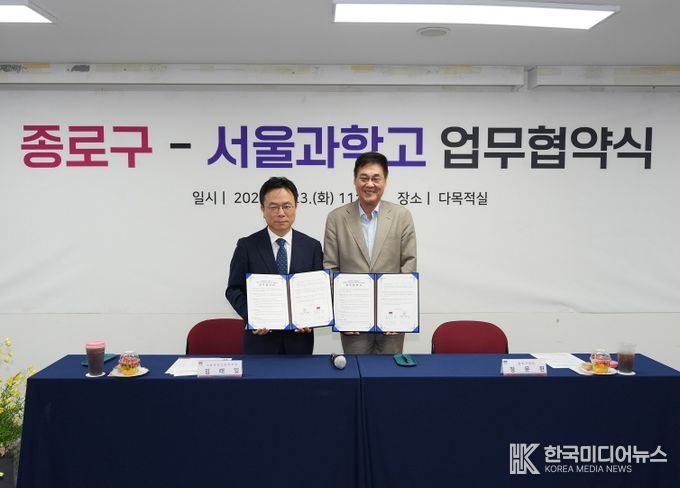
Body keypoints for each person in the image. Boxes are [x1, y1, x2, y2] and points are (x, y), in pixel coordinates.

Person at [323, 151, 417, 354]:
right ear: (355, 180)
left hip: (391, 319)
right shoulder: (336, 218)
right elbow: (330, 268)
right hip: (353, 321)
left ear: (385, 181)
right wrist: (342, 313)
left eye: (376, 178)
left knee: (389, 371)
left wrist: (400, 312)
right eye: (364, 178)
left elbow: (408, 264)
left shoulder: (402, 216)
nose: (370, 184)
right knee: (357, 371)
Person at [226, 176, 323, 354]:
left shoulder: (312, 247)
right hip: (261, 341)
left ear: (296, 207)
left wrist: (312, 319)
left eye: (287, 206)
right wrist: (253, 316)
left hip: (299, 342)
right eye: (273, 207)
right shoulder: (246, 246)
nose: (281, 213)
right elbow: (233, 289)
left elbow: (318, 291)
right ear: (262, 209)